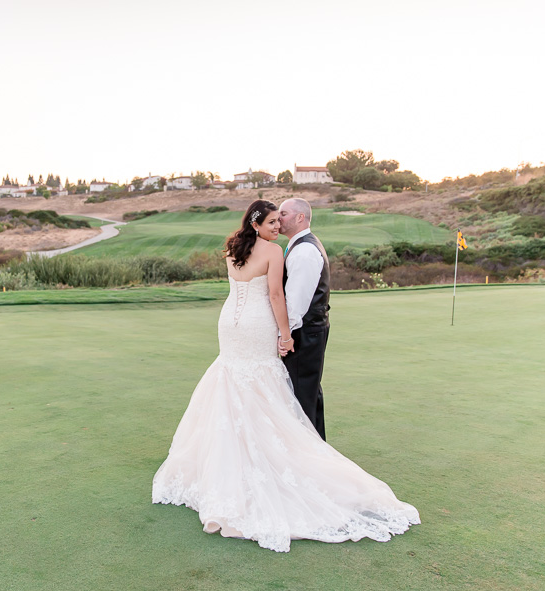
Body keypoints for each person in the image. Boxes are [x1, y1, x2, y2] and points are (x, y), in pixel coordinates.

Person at [152, 200, 419, 553]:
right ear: (258, 222)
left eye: (282, 220)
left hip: (229, 324)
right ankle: (274, 457)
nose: (278, 226)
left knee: (232, 383)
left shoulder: (232, 250)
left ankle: (229, 464)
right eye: (274, 221)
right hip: (258, 325)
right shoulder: (274, 252)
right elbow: (276, 295)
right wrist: (285, 333)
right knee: (262, 388)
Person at [277, 198, 329, 440]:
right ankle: (316, 449)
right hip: (308, 331)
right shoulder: (298, 245)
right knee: (306, 391)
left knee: (300, 394)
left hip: (304, 333)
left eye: (284, 213)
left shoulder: (305, 250)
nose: (279, 218)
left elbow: (295, 304)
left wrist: (284, 336)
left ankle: (308, 455)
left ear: (300, 217)